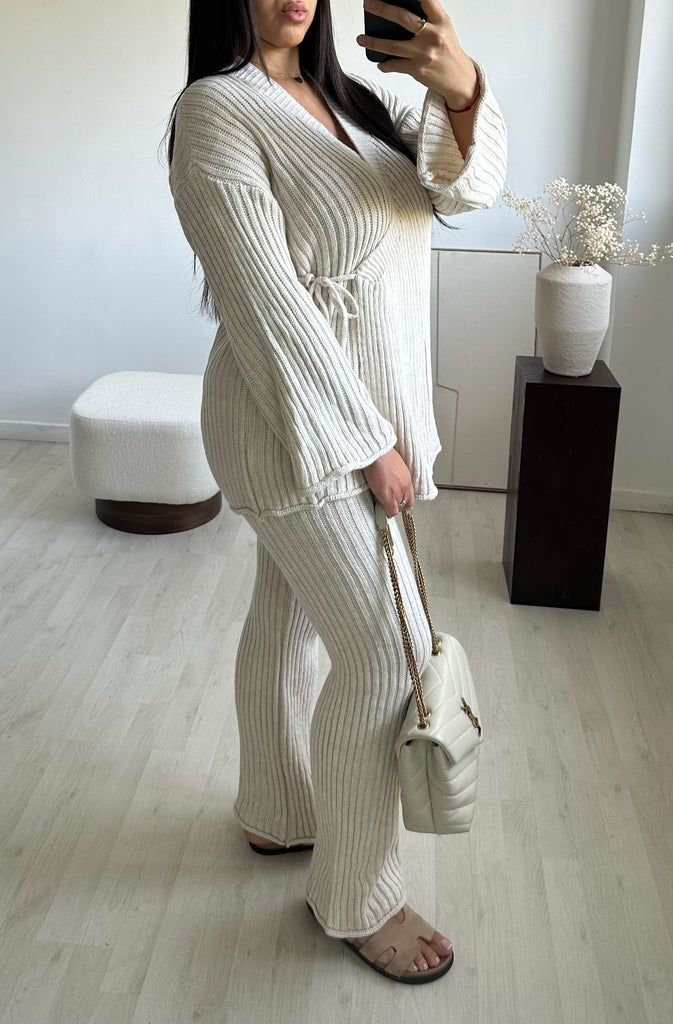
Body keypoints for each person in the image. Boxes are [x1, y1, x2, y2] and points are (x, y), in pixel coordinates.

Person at [165, 0, 506, 984]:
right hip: (292, 431)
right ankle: (359, 894)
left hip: (351, 422)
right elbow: (264, 304)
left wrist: (459, 89)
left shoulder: (353, 100)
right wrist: (367, 445)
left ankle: (276, 812)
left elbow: (467, 192)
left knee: (289, 614)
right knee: (386, 656)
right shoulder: (215, 109)